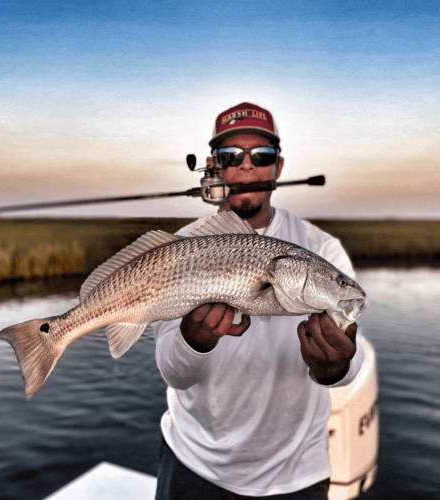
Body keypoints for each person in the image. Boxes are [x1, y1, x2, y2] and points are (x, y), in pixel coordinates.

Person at [152, 102, 364, 499]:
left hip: (295, 477)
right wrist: (192, 340)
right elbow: (174, 372)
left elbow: (351, 366)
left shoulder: (321, 248)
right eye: (232, 156)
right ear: (214, 167)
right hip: (192, 465)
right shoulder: (180, 248)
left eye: (261, 156)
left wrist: (335, 365)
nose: (246, 167)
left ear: (278, 168)